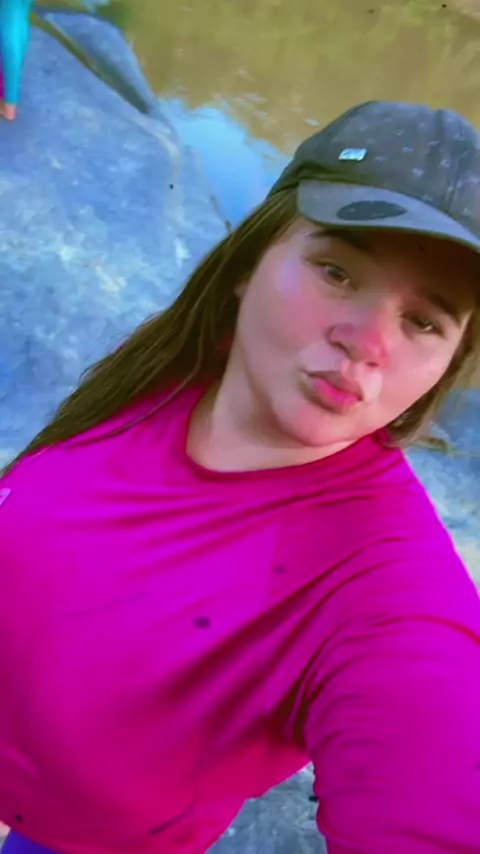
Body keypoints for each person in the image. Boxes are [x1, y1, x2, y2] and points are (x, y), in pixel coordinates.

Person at [1, 99, 480, 854]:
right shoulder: (170, 368)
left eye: (424, 322)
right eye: (336, 271)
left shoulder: (386, 590)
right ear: (248, 264)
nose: (366, 342)